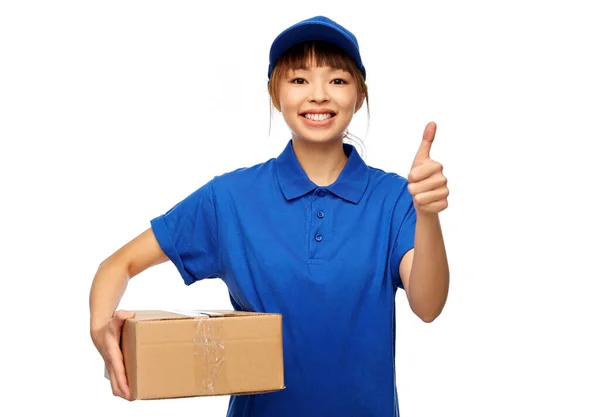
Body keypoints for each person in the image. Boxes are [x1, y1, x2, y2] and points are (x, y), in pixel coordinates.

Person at [89, 15, 450, 417]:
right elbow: (117, 264)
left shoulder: (393, 198)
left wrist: (428, 214)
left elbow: (428, 304)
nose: (318, 95)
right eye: (299, 80)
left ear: (360, 95)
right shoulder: (231, 198)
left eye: (337, 80)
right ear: (274, 93)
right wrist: (100, 325)